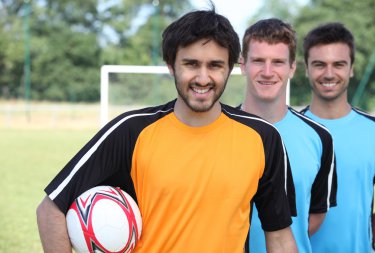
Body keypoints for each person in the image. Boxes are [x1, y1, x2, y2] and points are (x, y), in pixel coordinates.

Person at [36, 6, 298, 253]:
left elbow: (279, 237)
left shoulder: (263, 138)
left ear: (230, 68)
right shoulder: (131, 130)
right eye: (191, 64)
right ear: (171, 65)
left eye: (215, 66)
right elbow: (50, 211)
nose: (203, 78)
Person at [239, 18, 337, 253]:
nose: (268, 72)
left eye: (278, 62)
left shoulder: (320, 138)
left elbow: (316, 212)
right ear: (242, 64)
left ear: (292, 67)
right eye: (258, 61)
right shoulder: (219, 130)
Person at [301, 22, 375, 252]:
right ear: (306, 68)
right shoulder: (286, 132)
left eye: (338, 64)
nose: (328, 73)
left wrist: (363, 242)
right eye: (319, 64)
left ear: (351, 68)